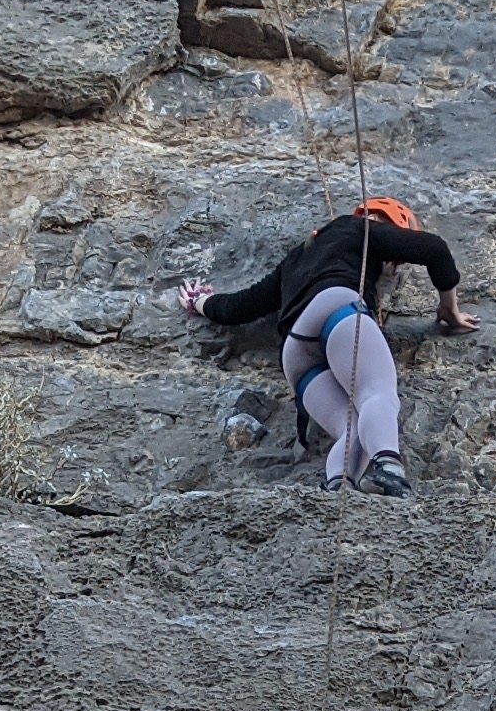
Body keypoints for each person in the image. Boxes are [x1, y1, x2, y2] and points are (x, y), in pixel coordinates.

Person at [180, 196, 476, 496]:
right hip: (337, 309)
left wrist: (199, 301)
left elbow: (241, 306)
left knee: (351, 428)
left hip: (296, 353)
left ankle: (337, 489)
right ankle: (389, 470)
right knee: (376, 391)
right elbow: (434, 249)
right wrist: (449, 309)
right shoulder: (358, 228)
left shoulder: (295, 259)